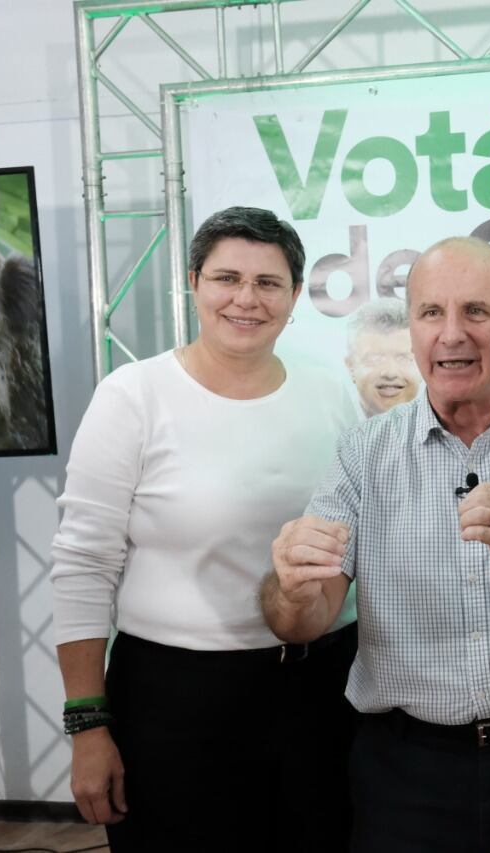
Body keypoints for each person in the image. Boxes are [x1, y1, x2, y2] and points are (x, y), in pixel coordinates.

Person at [260, 235, 490, 853]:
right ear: (412, 330)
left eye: (477, 312)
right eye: (431, 313)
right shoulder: (364, 452)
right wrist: (291, 585)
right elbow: (302, 619)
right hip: (405, 772)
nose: (452, 333)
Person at [49, 207, 359, 853]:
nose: (246, 298)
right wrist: (88, 724)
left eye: (268, 283)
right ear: (193, 282)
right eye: (226, 277)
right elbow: (83, 564)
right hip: (174, 703)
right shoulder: (133, 395)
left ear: (296, 295)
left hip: (321, 687)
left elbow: (361, 535)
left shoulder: (330, 390)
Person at [344, 296, 420, 416]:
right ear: (351, 367)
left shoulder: (449, 431)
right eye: (375, 359)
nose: (390, 373)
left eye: (403, 358)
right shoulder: (331, 429)